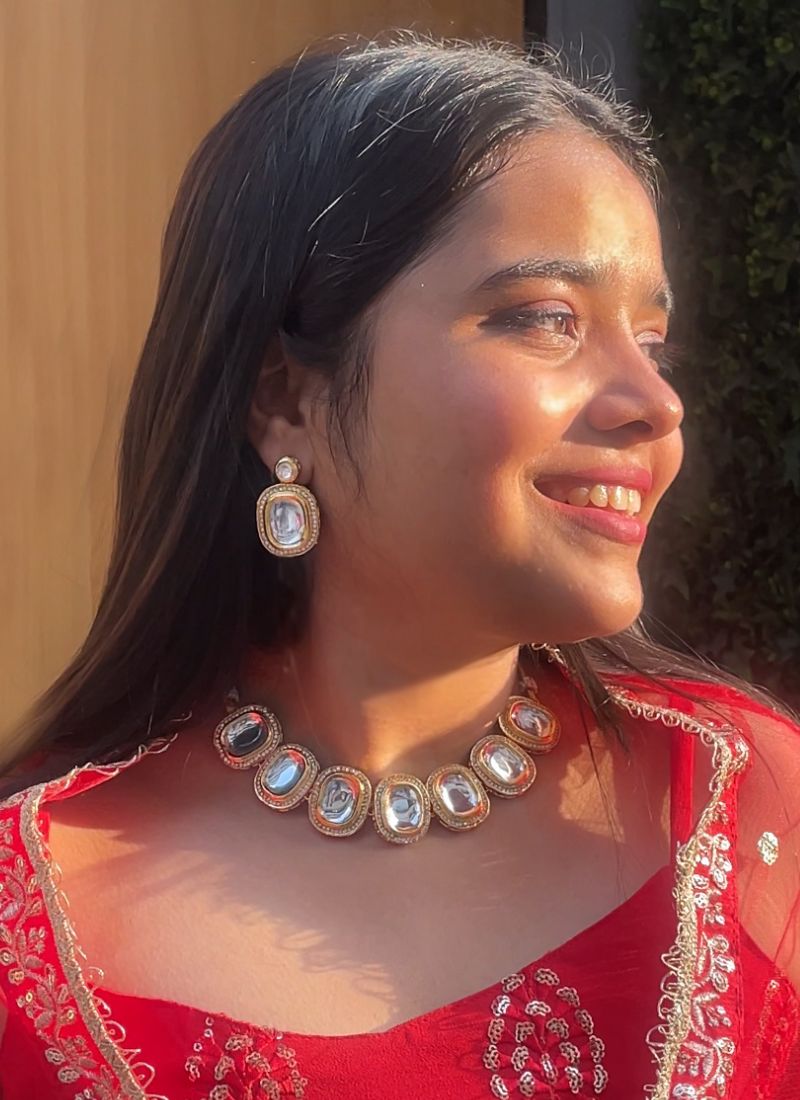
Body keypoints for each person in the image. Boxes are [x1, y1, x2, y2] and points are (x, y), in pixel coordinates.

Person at [1, 31, 798, 1099]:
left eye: (651, 343)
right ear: (286, 399)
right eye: (545, 319)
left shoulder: (752, 815)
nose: (653, 405)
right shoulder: (32, 912)